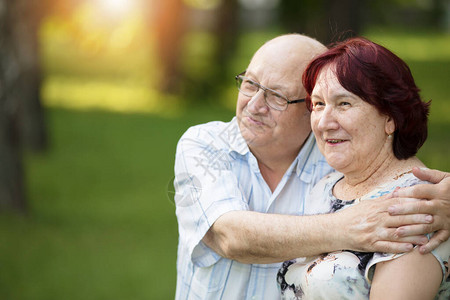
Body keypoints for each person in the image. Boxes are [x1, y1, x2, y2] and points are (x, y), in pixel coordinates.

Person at [173, 34, 450, 299]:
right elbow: (229, 236)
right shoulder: (205, 146)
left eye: (276, 96)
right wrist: (348, 226)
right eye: (250, 84)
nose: (254, 105)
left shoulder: (354, 171)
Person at [277, 37, 449, 299]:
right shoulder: (327, 186)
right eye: (318, 104)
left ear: (391, 118)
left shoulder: (417, 206)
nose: (324, 123)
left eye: (344, 104)